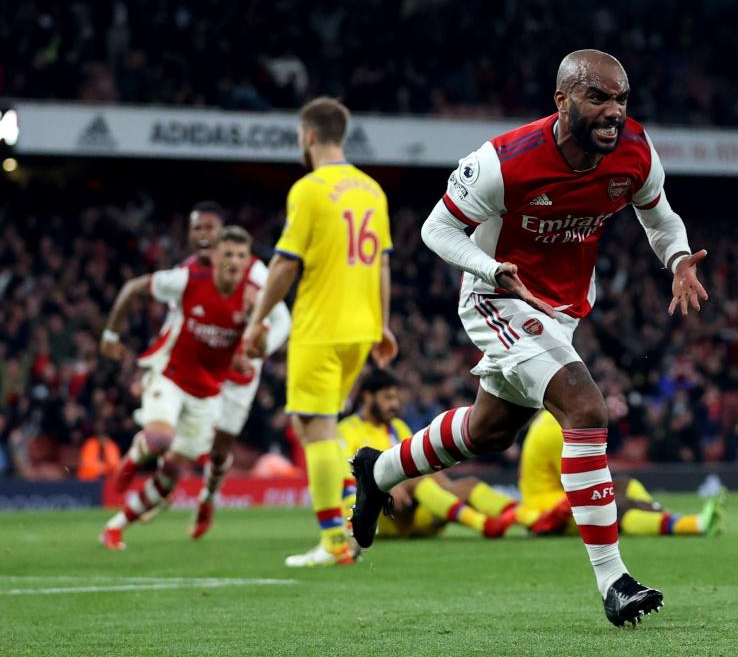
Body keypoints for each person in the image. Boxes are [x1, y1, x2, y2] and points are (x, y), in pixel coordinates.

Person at [350, 49, 708, 627]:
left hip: (560, 306)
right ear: (562, 100)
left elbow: (658, 214)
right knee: (585, 406)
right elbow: (435, 228)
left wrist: (677, 259)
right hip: (498, 296)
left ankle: (378, 472)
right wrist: (493, 272)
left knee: (488, 431)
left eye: (621, 99)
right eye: (598, 98)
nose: (614, 112)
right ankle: (614, 580)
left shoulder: (635, 150)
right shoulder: (503, 161)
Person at [242, 97, 397, 568]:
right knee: (314, 425)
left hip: (320, 326)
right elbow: (383, 263)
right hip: (360, 327)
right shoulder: (372, 189)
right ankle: (349, 509)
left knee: (317, 429)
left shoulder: (309, 189)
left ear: (308, 135)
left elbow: (286, 263)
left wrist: (257, 320)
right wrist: (383, 324)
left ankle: (334, 541)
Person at [98, 226, 287, 550]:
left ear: (248, 261)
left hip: (208, 394)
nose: (233, 261)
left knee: (172, 469)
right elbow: (134, 288)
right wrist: (111, 335)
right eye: (227, 253)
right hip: (170, 376)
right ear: (214, 256)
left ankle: (115, 528)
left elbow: (260, 342)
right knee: (160, 439)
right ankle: (134, 457)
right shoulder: (187, 280)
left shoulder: (254, 299)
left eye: (241, 256)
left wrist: (250, 354)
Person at [325, 369, 517, 554]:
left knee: (467, 485)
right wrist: (383, 484)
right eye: (387, 397)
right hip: (382, 516)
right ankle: (482, 524)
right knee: (415, 479)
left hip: (414, 513)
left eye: (396, 397)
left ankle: (528, 517)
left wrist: (446, 487)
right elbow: (346, 477)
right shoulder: (347, 430)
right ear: (367, 396)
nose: (394, 403)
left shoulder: (398, 427)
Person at [518, 411, 725, 537]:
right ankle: (692, 524)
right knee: (615, 506)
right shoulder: (553, 428)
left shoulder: (552, 419)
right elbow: (578, 481)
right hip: (548, 508)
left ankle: (667, 518)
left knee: (628, 484)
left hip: (557, 495)